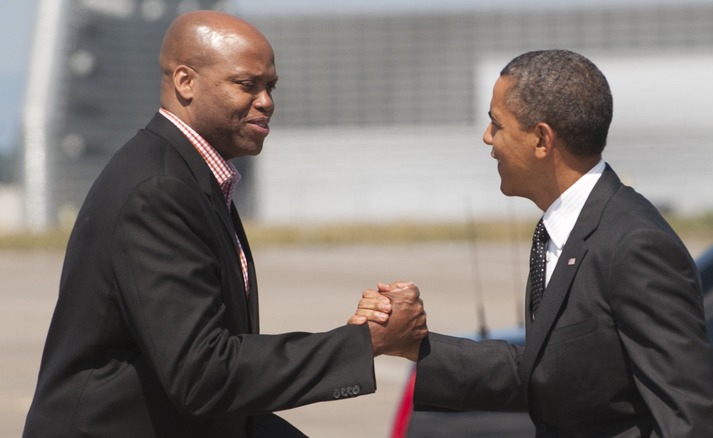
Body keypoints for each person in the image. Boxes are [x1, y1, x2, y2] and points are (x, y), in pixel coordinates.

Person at [23, 11, 426, 438]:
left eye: (270, 86)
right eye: (246, 84)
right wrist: (366, 342)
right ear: (185, 82)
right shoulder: (159, 189)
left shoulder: (192, 177)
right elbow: (203, 375)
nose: (267, 101)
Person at [353, 50, 713, 436]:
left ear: (542, 139)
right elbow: (543, 370)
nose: (486, 137)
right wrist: (410, 342)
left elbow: (688, 420)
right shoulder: (562, 230)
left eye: (496, 124)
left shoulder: (634, 244)